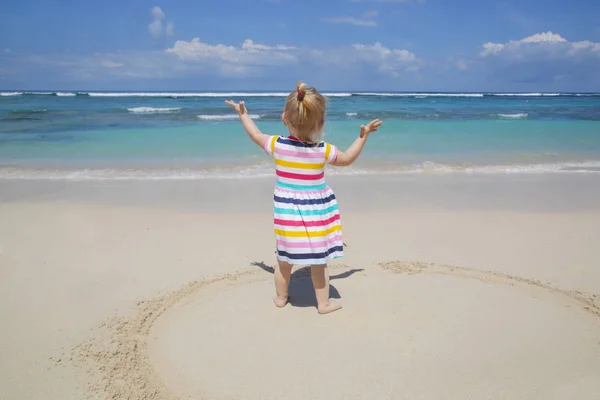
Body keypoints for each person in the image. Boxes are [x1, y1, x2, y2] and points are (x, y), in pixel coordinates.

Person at [225, 81, 382, 314]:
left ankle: (281, 298)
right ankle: (323, 304)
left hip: (286, 215)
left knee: (284, 260)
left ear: (284, 118)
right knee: (318, 262)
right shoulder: (323, 150)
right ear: (321, 122)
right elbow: (348, 158)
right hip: (316, 214)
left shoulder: (277, 145)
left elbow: (255, 135)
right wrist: (363, 136)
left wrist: (243, 114)